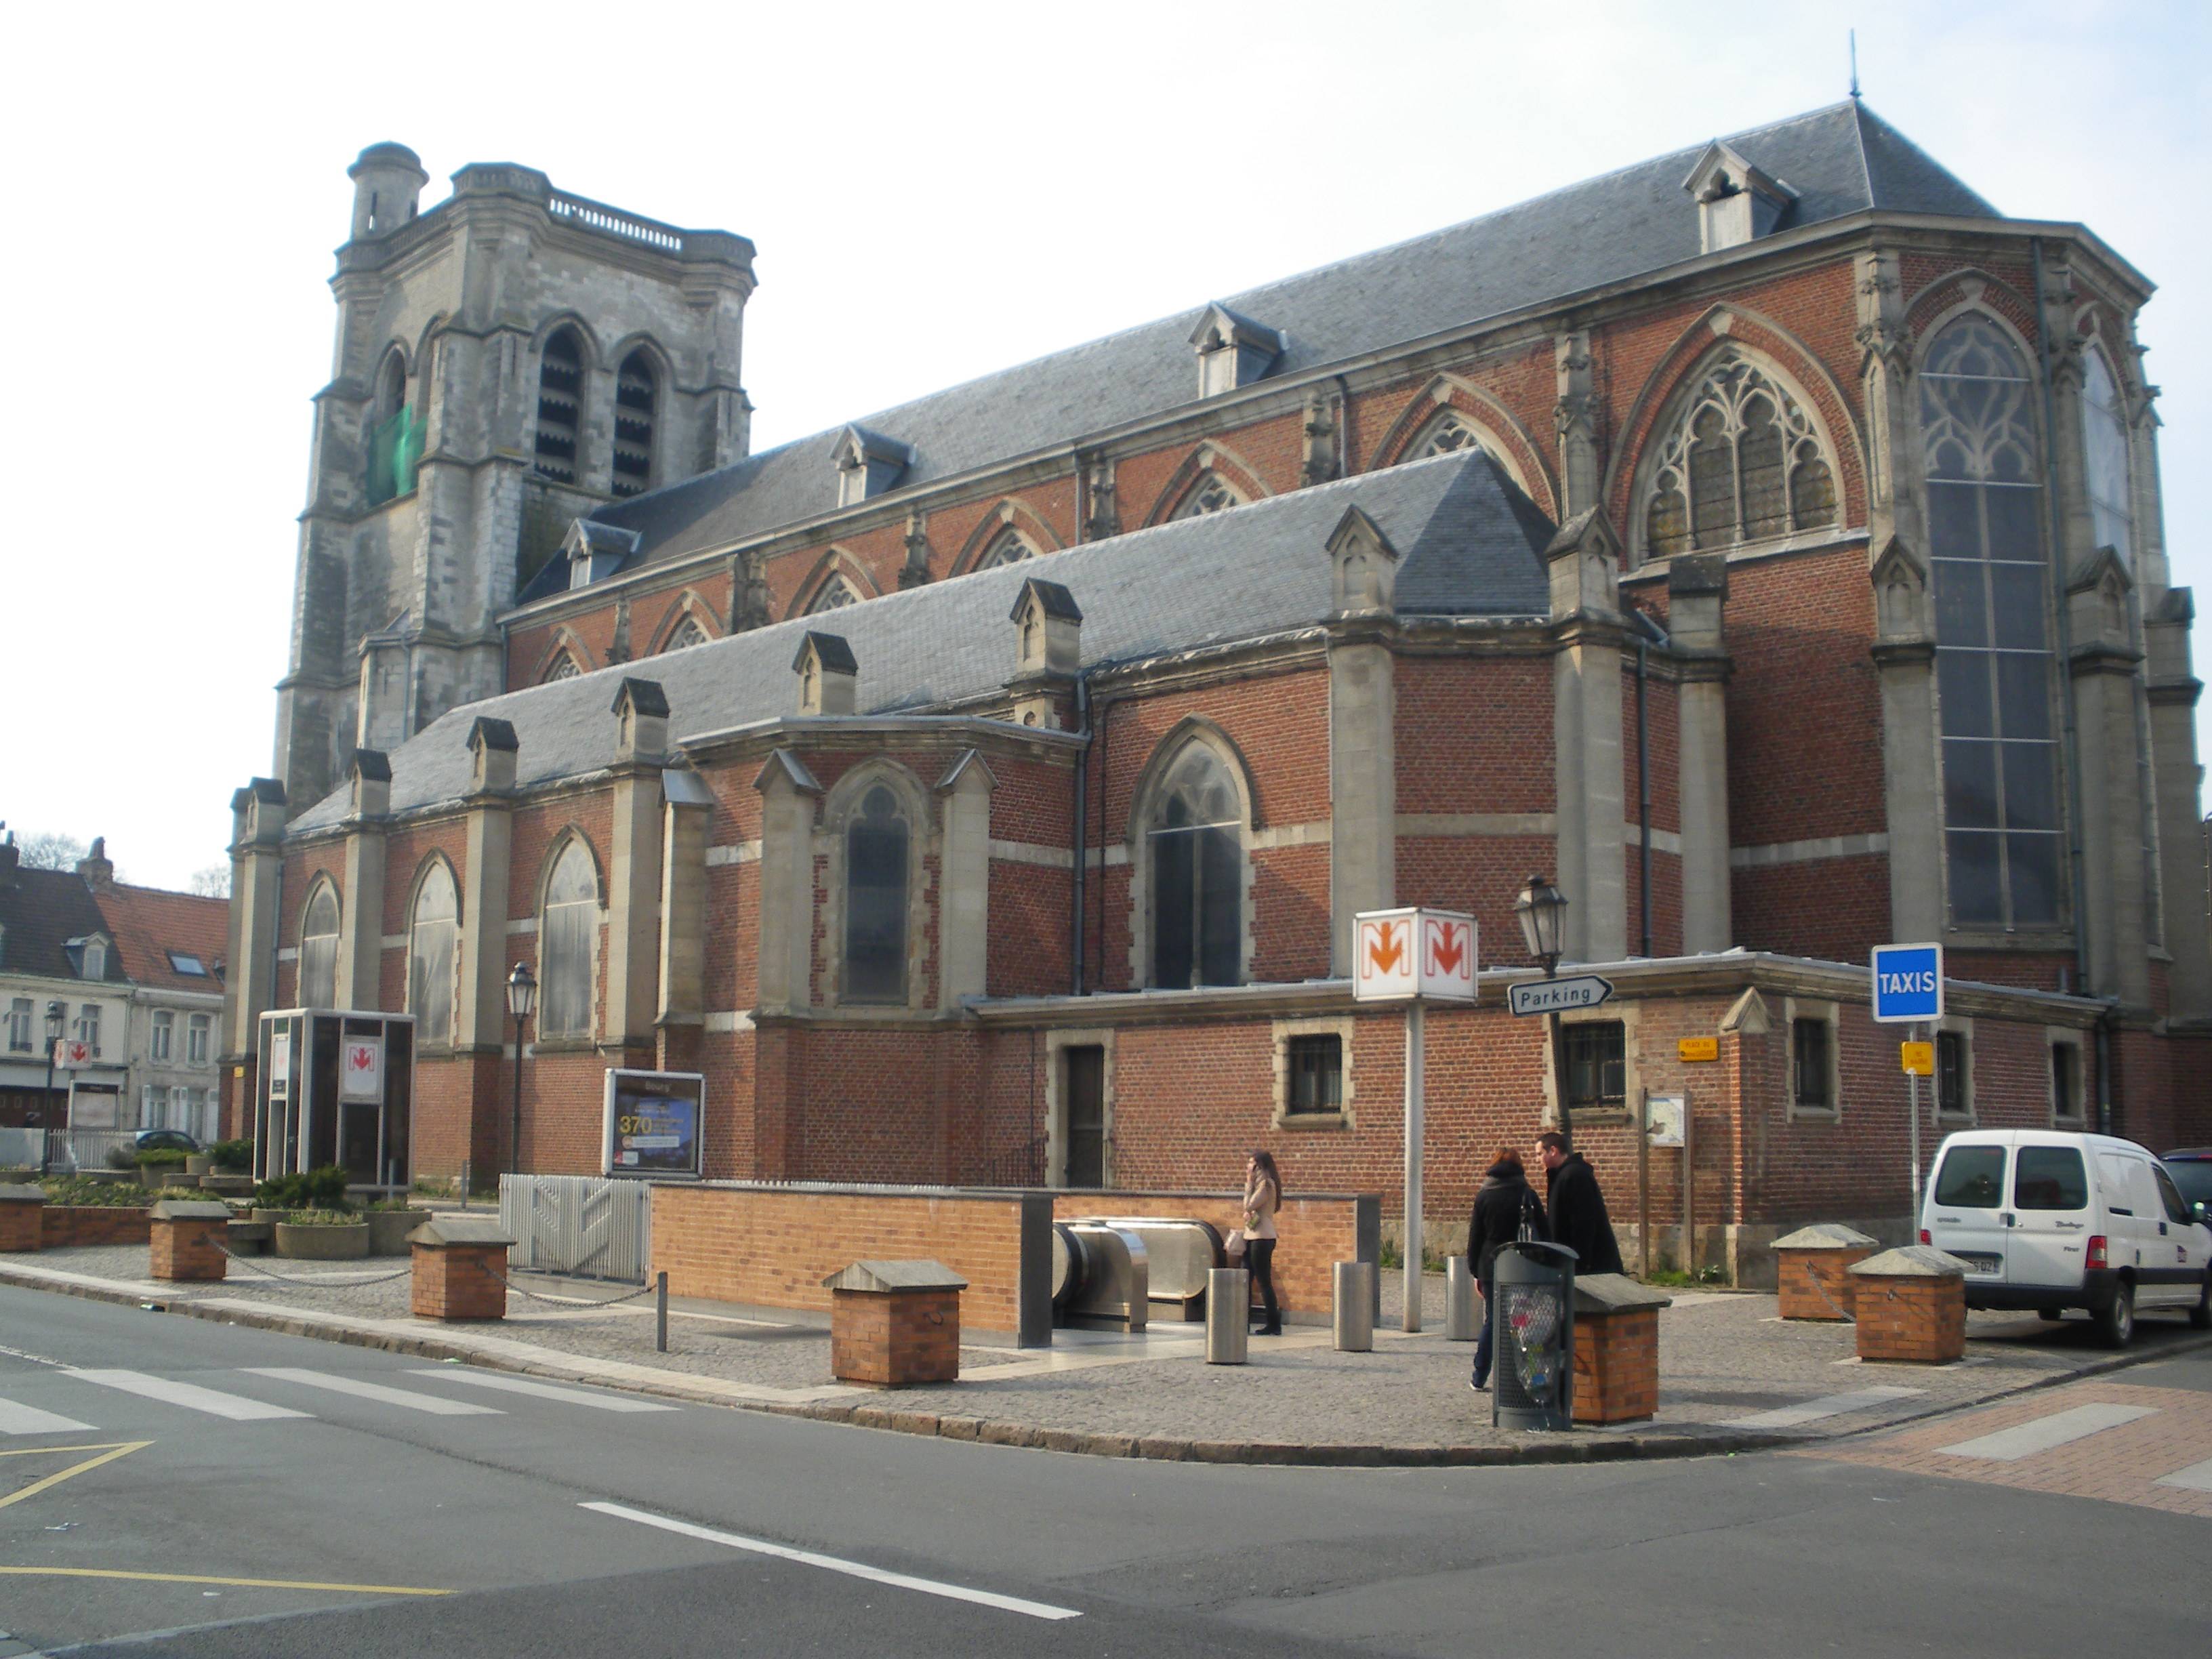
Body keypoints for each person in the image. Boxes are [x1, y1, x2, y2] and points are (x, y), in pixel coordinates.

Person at [1467, 1147, 1545, 1391]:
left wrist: (1475, 1272)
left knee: (1493, 1321)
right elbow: (1543, 1232)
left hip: (1491, 1265)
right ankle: (1524, 1376)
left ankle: (1479, 1375)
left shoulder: (1485, 1195)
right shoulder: (1527, 1194)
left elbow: (1475, 1238)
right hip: (1522, 1264)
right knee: (1524, 1322)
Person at [1537, 1130, 1624, 1276]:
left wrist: (1581, 1263)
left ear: (1553, 1151)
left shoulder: (1575, 1175)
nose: (1537, 1160)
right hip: (1570, 1260)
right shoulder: (1561, 1176)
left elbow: (1583, 1222)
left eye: (1540, 1154)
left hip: (1591, 1265)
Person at [1242, 1149, 1283, 1336]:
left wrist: (1249, 1183)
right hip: (1254, 1236)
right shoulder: (1264, 1184)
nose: (1248, 1167)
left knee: (1263, 1281)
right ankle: (1243, 1320)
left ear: (1260, 1166)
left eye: (1252, 1164)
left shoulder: (1265, 1184)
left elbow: (1249, 1204)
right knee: (1245, 1279)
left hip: (1262, 1238)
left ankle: (1273, 1324)